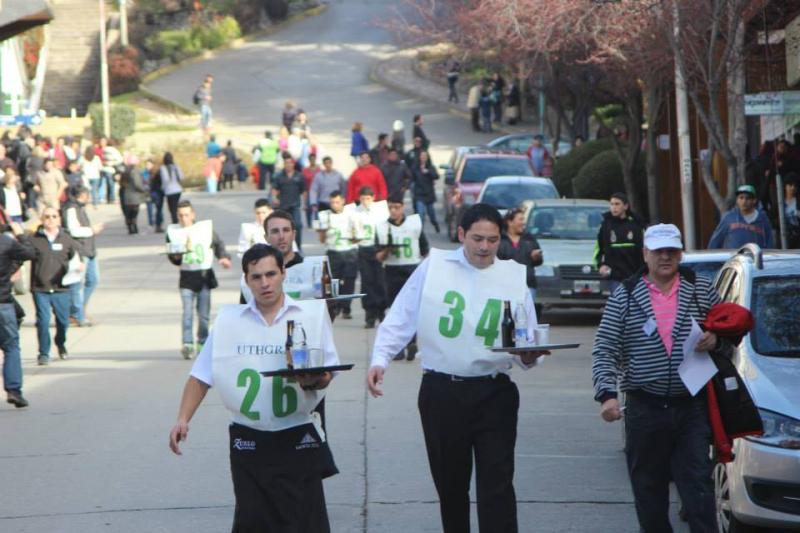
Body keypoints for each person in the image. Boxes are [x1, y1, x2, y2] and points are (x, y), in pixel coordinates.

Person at [367, 203, 546, 533]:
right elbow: (401, 316)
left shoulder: (512, 276)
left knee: (497, 483)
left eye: (492, 240)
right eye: (477, 238)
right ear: (461, 234)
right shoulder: (435, 267)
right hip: (442, 392)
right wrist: (380, 359)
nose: (484, 247)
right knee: (451, 486)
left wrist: (531, 355)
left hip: (494, 391)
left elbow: (527, 340)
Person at [168, 244, 340, 532]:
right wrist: (183, 419)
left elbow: (328, 374)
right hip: (249, 439)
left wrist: (313, 379)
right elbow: (200, 376)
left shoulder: (310, 315)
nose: (265, 283)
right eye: (256, 277)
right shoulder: (229, 322)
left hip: (298, 433)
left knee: (305, 521)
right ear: (246, 280)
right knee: (254, 520)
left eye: (271, 274)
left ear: (284, 273)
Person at [592, 223, 728, 533]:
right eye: (658, 251)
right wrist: (606, 394)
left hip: (692, 407)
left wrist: (716, 340)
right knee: (649, 493)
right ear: (645, 253)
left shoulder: (702, 289)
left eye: (671, 251)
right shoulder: (625, 295)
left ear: (681, 253)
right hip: (644, 408)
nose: (665, 257)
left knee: (698, 491)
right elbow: (604, 348)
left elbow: (731, 333)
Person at [166, 200, 232, 359]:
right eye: (181, 216)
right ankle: (187, 344)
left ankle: (202, 341)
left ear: (193, 214)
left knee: (203, 315)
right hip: (186, 277)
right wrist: (175, 257)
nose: (184, 218)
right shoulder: (173, 232)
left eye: (187, 215)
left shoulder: (204, 229)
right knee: (187, 312)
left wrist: (223, 257)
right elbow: (172, 256)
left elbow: (218, 244)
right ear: (177, 216)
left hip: (203, 275)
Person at [375, 192, 429, 360]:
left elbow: (425, 250)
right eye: (390, 207)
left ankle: (411, 342)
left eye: (397, 207)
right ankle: (397, 346)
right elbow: (378, 257)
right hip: (391, 271)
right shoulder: (383, 227)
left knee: (412, 309)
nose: (393, 211)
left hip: (411, 269)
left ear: (403, 207)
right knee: (394, 310)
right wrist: (387, 250)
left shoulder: (414, 224)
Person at [30, 206, 83, 365]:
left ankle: (60, 343)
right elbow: (20, 255)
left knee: (62, 321)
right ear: (42, 219)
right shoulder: (34, 240)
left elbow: (77, 257)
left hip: (61, 287)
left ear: (59, 219)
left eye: (54, 216)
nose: (50, 220)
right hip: (41, 288)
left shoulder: (66, 238)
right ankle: (44, 353)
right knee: (43, 321)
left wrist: (79, 266)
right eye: (47, 217)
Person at [0, 218, 35, 406]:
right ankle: (14, 389)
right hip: (3, 301)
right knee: (11, 346)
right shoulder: (6, 242)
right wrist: (21, 234)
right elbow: (30, 253)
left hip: (5, 302)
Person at [62, 186, 103, 327]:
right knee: (77, 284)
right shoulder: (71, 209)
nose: (89, 198)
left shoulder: (79, 208)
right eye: (87, 195)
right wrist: (92, 230)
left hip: (89, 249)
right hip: (79, 250)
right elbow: (73, 230)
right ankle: (76, 314)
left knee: (93, 279)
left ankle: (79, 309)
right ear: (81, 195)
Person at [350, 187, 387, 328]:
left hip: (377, 249)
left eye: (368, 198)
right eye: (363, 198)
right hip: (363, 250)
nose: (365, 202)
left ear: (373, 198)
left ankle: (381, 311)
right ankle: (369, 315)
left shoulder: (380, 211)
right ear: (359, 198)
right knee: (367, 282)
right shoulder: (354, 212)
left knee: (380, 281)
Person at [317, 191, 358, 319]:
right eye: (332, 202)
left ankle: (346, 307)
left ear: (343, 201)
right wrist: (323, 230)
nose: (334, 205)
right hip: (333, 251)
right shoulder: (325, 216)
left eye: (337, 202)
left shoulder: (351, 214)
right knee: (334, 281)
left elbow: (358, 232)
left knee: (349, 280)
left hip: (349, 251)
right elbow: (322, 240)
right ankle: (336, 305)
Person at [595, 192, 645, 292]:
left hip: (635, 276)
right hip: (615, 276)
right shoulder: (605, 226)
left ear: (625, 206)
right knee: (618, 303)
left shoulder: (636, 225)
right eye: (612, 204)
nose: (614, 207)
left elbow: (645, 250)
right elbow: (598, 249)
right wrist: (601, 265)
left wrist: (645, 271)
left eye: (617, 204)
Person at [498, 208, 543, 316]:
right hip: (506, 286)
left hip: (528, 285)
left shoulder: (529, 238)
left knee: (525, 316)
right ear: (510, 222)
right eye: (520, 219)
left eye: (524, 219)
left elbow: (539, 261)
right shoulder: (500, 240)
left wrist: (536, 257)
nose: (523, 222)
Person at [708, 184, 775, 249]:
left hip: (755, 259)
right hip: (734, 259)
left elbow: (769, 243)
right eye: (741, 198)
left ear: (754, 200)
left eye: (747, 198)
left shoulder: (763, 219)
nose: (744, 201)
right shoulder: (728, 218)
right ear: (737, 200)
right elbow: (715, 241)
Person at [271, 155, 305, 249]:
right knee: (282, 228)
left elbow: (304, 191)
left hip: (295, 206)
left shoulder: (299, 176)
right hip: (283, 206)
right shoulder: (279, 176)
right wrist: (274, 198)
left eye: (290, 163)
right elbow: (275, 188)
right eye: (286, 163)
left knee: (297, 225)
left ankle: (298, 247)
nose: (288, 165)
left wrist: (305, 204)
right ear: (284, 164)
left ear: (293, 164)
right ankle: (284, 247)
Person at [410, 150, 440, 232]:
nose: (423, 158)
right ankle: (421, 232)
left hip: (429, 194)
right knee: (421, 214)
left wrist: (429, 172)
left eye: (425, 156)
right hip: (419, 194)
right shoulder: (415, 167)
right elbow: (411, 179)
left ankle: (435, 223)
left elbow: (436, 176)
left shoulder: (431, 167)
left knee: (431, 214)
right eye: (422, 156)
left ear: (427, 157)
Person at [120, 161, 146, 234]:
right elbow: (137, 184)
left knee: (128, 213)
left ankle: (130, 227)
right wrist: (143, 190)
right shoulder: (134, 172)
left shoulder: (124, 173)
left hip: (126, 195)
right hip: (134, 195)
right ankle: (134, 226)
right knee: (134, 212)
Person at [159, 152, 184, 224]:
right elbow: (181, 177)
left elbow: (165, 180)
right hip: (177, 189)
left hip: (169, 190)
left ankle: (175, 222)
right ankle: (177, 220)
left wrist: (162, 188)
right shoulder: (176, 166)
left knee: (172, 208)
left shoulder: (163, 168)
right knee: (175, 206)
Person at [302, 153, 321, 226]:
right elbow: (303, 181)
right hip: (308, 191)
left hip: (317, 192)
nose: (312, 161)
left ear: (315, 160)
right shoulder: (305, 170)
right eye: (311, 159)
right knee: (308, 208)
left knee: (317, 208)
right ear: (309, 160)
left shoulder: (319, 170)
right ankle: (309, 224)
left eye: (313, 159)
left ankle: (316, 224)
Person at [783, 172, 800, 248]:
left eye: (795, 186)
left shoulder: (798, 202)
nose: (793, 188)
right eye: (790, 185)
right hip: (784, 237)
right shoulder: (780, 203)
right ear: (785, 186)